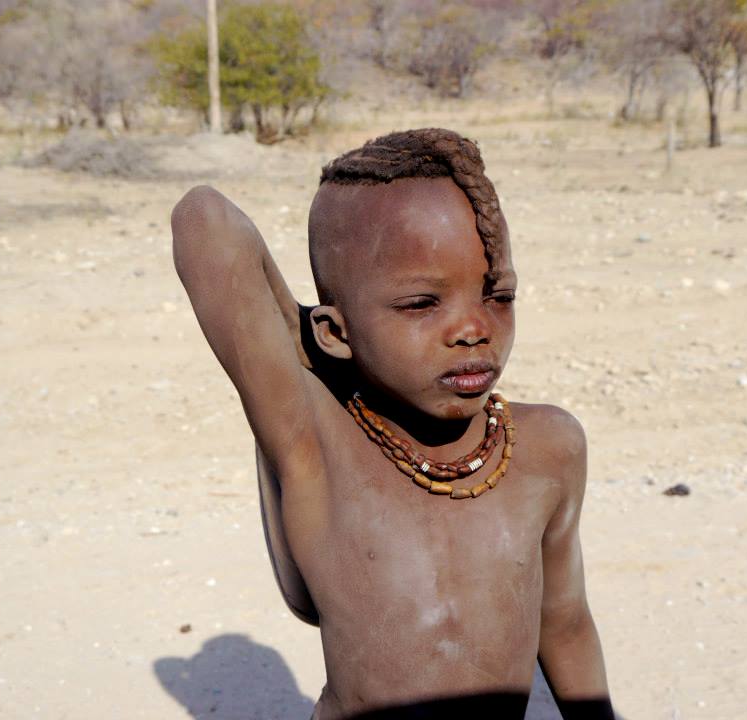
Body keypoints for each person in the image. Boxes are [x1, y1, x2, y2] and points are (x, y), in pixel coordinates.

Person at [171, 128, 614, 719]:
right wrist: (327, 347)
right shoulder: (318, 444)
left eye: (497, 295)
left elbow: (564, 624)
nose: (472, 328)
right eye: (421, 304)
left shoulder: (548, 447)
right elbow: (205, 221)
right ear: (333, 331)